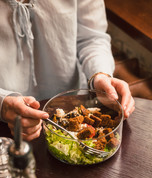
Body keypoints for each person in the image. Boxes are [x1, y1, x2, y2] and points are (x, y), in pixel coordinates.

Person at [0, 0, 135, 141]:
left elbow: (92, 38)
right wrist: (2, 103)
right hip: (5, 129)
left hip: (73, 102)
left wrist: (100, 75)